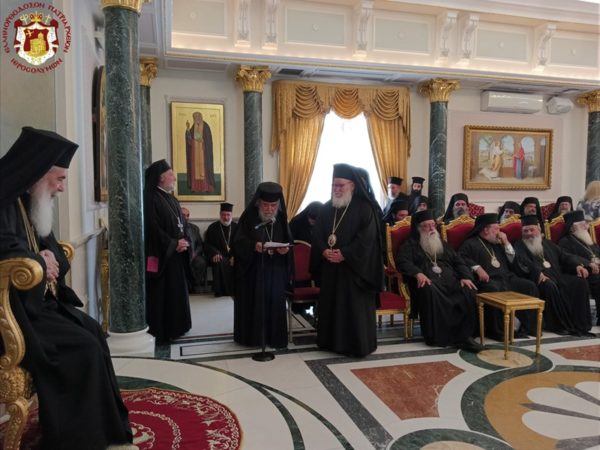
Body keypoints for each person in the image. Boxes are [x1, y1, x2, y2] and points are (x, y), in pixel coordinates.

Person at [0, 127, 134, 449]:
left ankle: (104, 429)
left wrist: (47, 258)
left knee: (94, 332)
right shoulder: (4, 202)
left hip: (38, 305)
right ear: (37, 173)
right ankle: (74, 440)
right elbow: (6, 252)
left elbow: (52, 249)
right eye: (59, 179)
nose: (61, 188)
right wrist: (38, 261)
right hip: (16, 314)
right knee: (83, 349)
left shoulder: (30, 201)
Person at [310, 164, 383, 357]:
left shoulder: (365, 208)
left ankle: (356, 346)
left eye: (341, 185)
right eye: (334, 185)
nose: (337, 189)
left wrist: (345, 254)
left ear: (352, 185)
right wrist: (324, 251)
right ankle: (330, 343)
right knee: (332, 306)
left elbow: (367, 239)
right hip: (331, 269)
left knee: (353, 309)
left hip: (355, 271)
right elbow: (316, 235)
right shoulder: (327, 208)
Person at [396, 210, 482, 351]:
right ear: (418, 228)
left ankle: (465, 336)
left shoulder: (442, 243)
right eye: (426, 226)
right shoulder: (410, 245)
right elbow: (403, 262)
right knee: (429, 290)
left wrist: (466, 277)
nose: (431, 228)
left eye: (433, 225)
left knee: (468, 289)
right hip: (428, 281)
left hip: (451, 280)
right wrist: (418, 273)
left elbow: (458, 261)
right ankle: (439, 337)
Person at [231, 182, 293, 348]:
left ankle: (274, 338)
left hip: (275, 271)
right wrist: (254, 246)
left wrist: (285, 250)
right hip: (253, 272)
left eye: (273, 205)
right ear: (258, 203)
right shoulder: (248, 217)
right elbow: (237, 242)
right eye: (265, 205)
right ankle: (253, 339)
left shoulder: (281, 218)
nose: (269, 209)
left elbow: (288, 242)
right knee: (255, 304)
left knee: (274, 304)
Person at [459, 213, 538, 340]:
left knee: (529, 286)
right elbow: (461, 258)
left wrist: (506, 243)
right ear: (486, 230)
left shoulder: (498, 243)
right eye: (496, 229)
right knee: (494, 289)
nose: (499, 232)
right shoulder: (470, 243)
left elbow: (513, 261)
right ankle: (499, 331)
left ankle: (527, 327)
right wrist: (477, 268)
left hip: (507, 278)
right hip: (488, 281)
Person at [514, 215, 593, 337]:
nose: (529, 233)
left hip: (558, 277)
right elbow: (523, 263)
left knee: (580, 282)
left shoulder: (548, 244)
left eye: (532, 230)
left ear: (539, 229)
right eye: (525, 231)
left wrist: (577, 266)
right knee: (548, 285)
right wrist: (537, 273)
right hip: (539, 279)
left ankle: (580, 324)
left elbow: (565, 257)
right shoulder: (519, 245)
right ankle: (558, 325)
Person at [144, 159, 191, 342]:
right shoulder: (151, 198)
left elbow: (183, 224)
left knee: (177, 292)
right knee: (163, 293)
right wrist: (173, 244)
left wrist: (185, 240)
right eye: (171, 175)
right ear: (161, 178)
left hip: (177, 255)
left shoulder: (172, 199)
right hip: (163, 255)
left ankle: (178, 326)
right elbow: (153, 229)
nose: (174, 178)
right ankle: (164, 330)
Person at [559, 210, 600, 326]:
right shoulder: (565, 242)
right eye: (582, 225)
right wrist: (588, 263)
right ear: (572, 227)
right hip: (584, 272)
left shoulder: (588, 240)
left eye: (585, 224)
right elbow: (568, 257)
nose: (586, 227)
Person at [204, 202, 238, 297]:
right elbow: (207, 245)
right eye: (223, 214)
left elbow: (241, 244)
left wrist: (235, 255)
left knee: (239, 261)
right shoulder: (212, 227)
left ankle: (235, 290)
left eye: (228, 215)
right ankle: (220, 291)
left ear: (231, 215)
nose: (226, 217)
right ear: (220, 215)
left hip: (233, 255)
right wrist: (215, 253)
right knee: (219, 261)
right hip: (219, 255)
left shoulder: (237, 227)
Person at [185, 111, 215, 193]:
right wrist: (187, 130)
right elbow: (190, 140)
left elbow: (208, 141)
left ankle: (206, 187)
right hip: (195, 152)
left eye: (197, 117)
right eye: (195, 118)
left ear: (201, 117)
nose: (196, 119)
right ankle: (195, 188)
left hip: (203, 152)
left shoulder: (206, 127)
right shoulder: (193, 127)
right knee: (195, 170)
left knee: (204, 169)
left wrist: (203, 141)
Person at [181, 206, 207, 293]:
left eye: (187, 215)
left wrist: (195, 253)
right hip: (181, 255)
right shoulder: (175, 228)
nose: (186, 217)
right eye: (183, 215)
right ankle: (184, 286)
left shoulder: (194, 228)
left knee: (201, 262)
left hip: (194, 255)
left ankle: (195, 285)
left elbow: (200, 244)